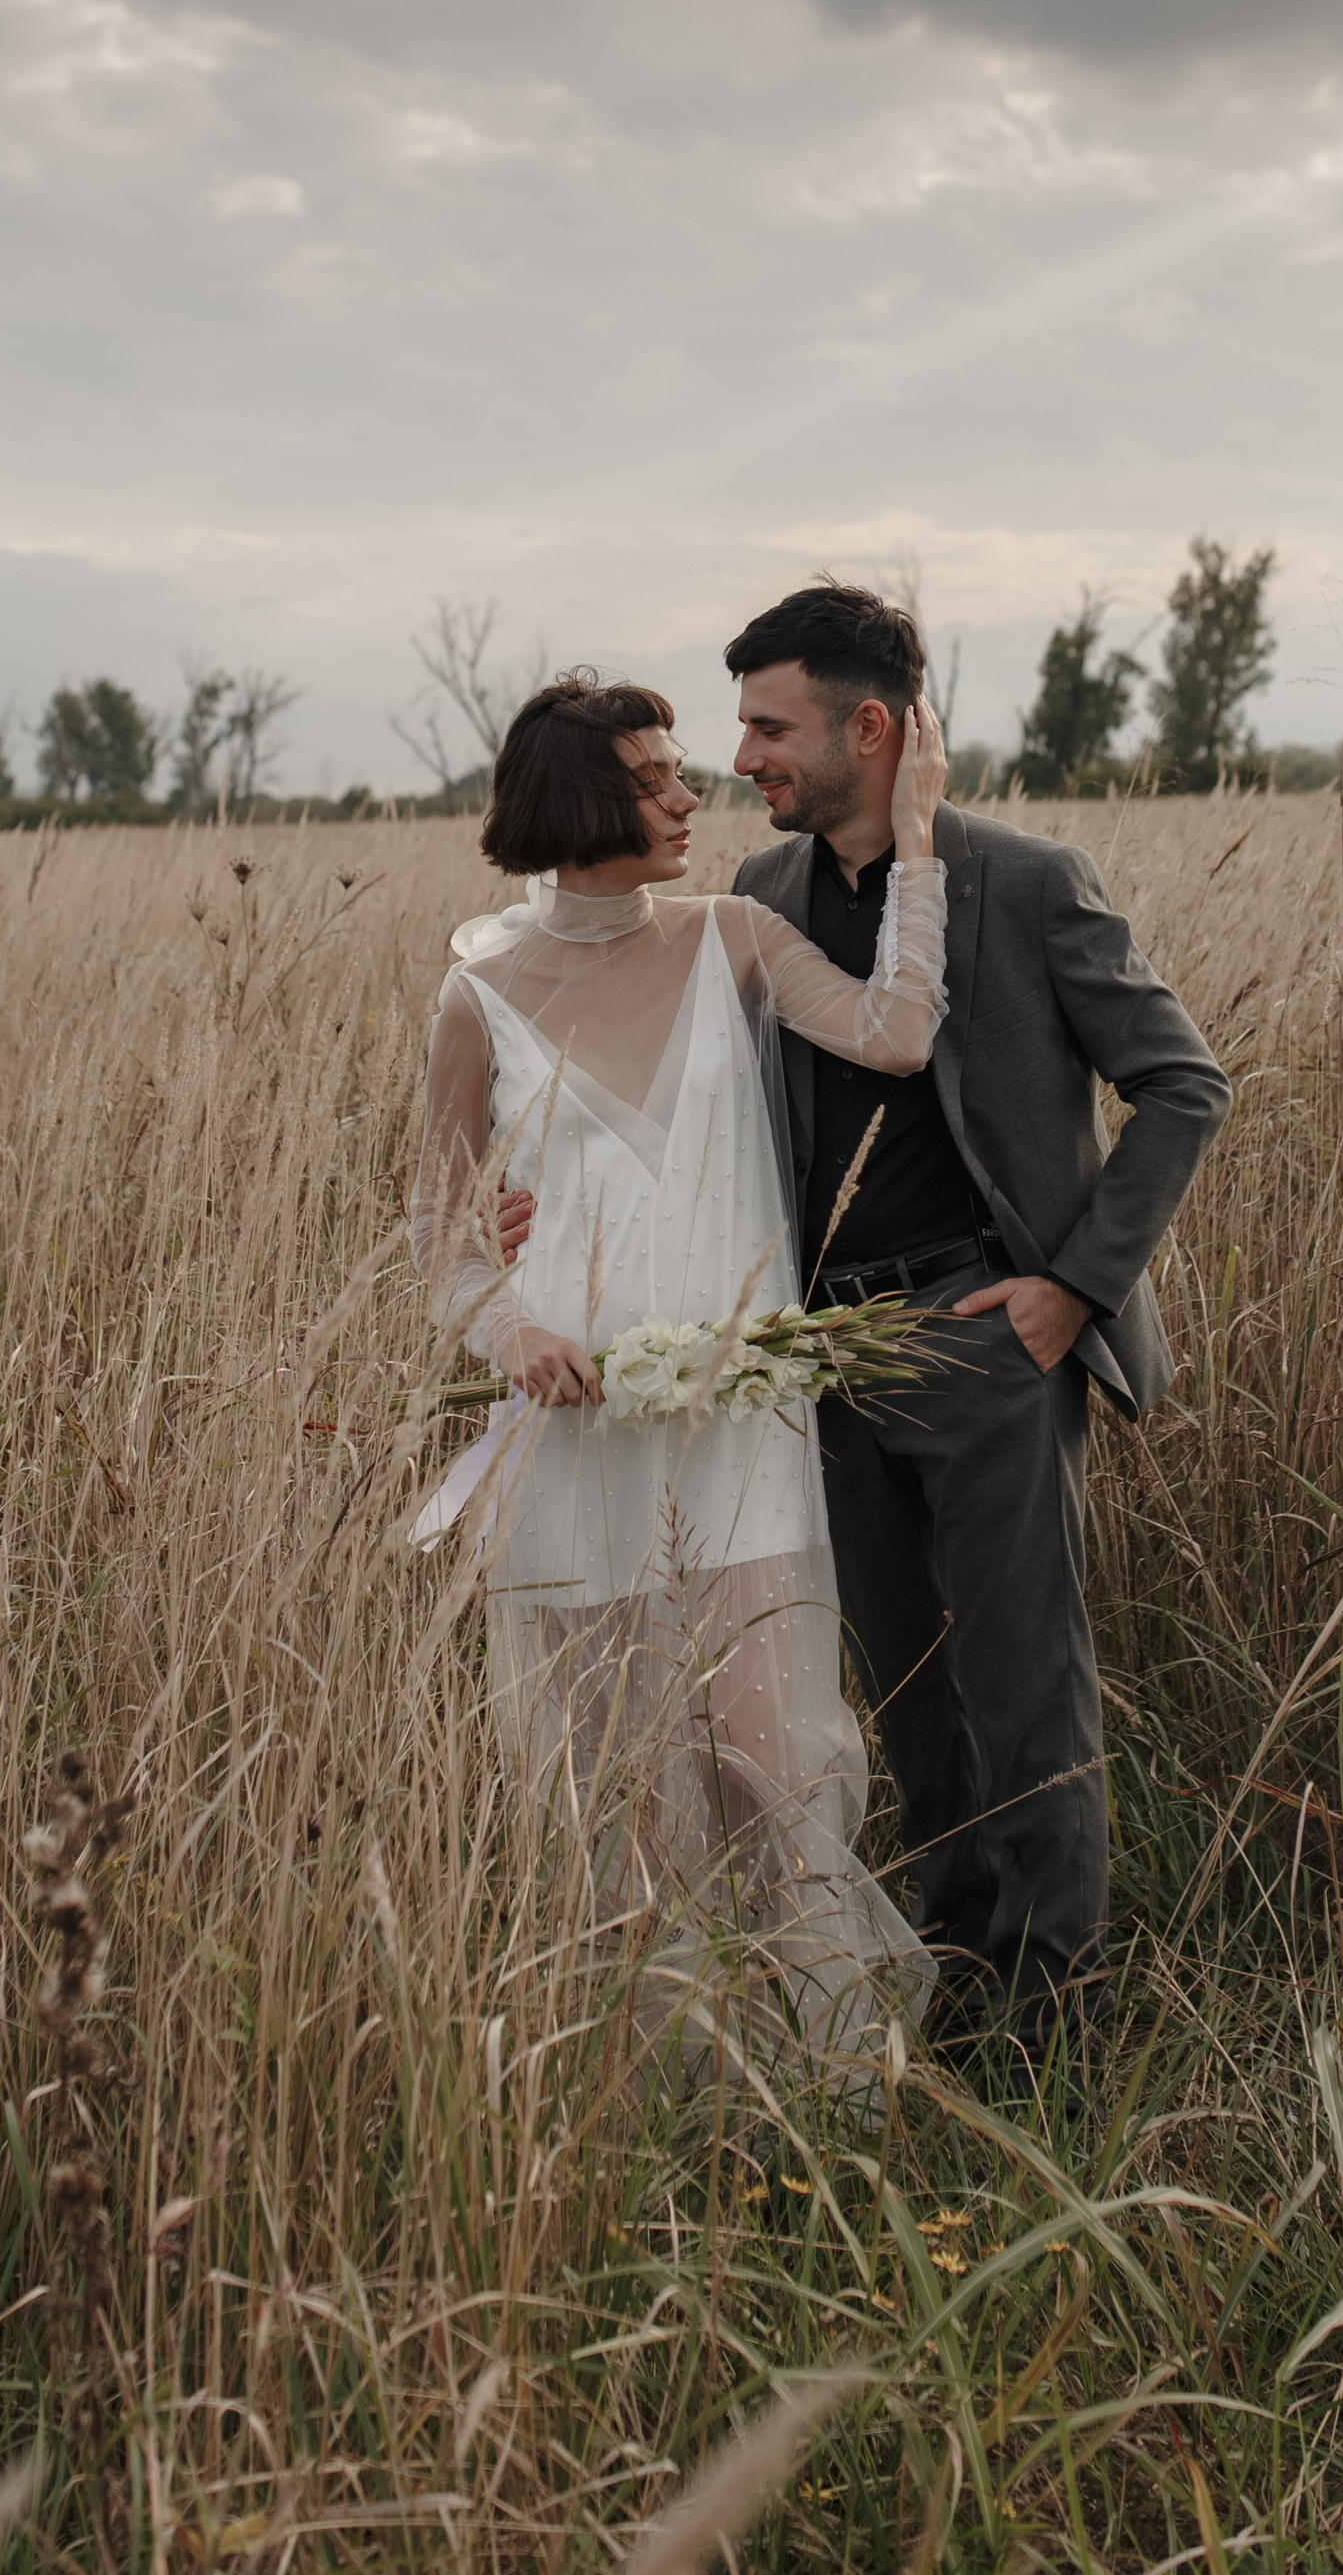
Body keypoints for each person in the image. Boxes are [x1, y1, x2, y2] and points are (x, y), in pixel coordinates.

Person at [410, 667, 952, 2086]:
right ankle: (671, 2108)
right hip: (577, 1450)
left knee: (777, 1763)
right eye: (653, 781)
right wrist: (508, 1330)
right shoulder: (476, 998)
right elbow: (442, 1236)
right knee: (630, 1797)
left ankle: (834, 2091)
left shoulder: (738, 938)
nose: (687, 796)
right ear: (577, 803)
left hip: (739, 1423)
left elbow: (896, 1031)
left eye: (678, 774)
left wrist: (926, 840)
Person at [726, 579, 1231, 2054]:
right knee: (905, 1687)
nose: (744, 753)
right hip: (826, 1353)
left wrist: (1074, 1290)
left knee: (1028, 1686)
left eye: (771, 724)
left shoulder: (1026, 879)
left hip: (990, 1337)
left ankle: (1058, 2022)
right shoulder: (760, 903)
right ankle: (957, 1983)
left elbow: (1183, 1085)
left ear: (867, 727)